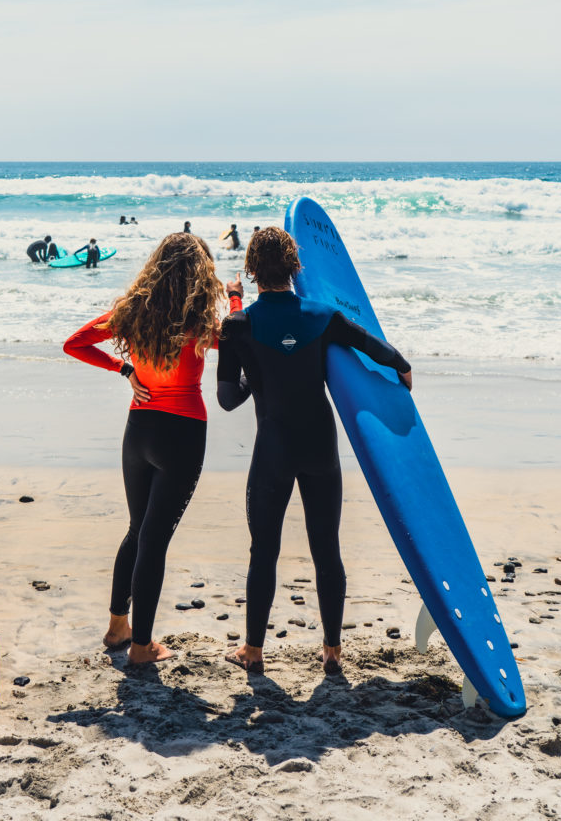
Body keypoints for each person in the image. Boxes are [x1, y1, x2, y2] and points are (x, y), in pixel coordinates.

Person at [216, 227, 412, 676]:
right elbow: (372, 345)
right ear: (295, 268)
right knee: (327, 548)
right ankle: (332, 651)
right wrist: (402, 366)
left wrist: (255, 367)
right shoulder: (324, 316)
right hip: (320, 445)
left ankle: (253, 651)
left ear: (250, 269)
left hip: (273, 448)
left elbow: (228, 397)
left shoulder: (238, 325)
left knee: (264, 549)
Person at [63, 233, 242, 665]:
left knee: (137, 529)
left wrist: (124, 368)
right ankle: (142, 647)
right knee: (153, 540)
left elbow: (75, 343)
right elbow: (240, 337)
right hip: (182, 434)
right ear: (200, 273)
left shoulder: (132, 313)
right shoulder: (198, 320)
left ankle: (116, 628)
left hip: (138, 429)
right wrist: (235, 299)